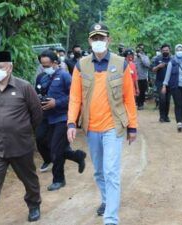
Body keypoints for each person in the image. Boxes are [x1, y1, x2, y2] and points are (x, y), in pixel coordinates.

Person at [67, 23, 137, 225]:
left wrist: (132, 127)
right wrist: (71, 123)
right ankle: (107, 201)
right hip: (91, 127)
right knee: (99, 171)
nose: (98, 42)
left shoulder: (120, 63)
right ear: (90, 41)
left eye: (102, 38)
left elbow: (128, 99)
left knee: (111, 171)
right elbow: (75, 97)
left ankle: (111, 219)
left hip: (113, 127)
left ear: (109, 40)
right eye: (94, 38)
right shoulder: (81, 65)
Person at [0, 51, 43, 225]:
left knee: (29, 179)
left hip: (21, 145)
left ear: (10, 66)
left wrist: (24, 131)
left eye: (0, 66)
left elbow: (36, 113)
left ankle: (34, 204)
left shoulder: (24, 87)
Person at [36, 50, 86, 191]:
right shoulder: (41, 77)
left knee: (56, 149)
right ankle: (76, 156)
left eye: (47, 64)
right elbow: (37, 94)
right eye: (43, 65)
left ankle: (59, 179)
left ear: (55, 62)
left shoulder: (65, 76)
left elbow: (75, 96)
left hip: (62, 117)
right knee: (40, 140)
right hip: (46, 117)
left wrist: (56, 103)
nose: (45, 67)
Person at [161, 44, 182, 132]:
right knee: (178, 104)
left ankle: (181, 119)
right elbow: (167, 75)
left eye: (181, 49)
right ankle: (179, 122)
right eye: (178, 50)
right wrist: (164, 85)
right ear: (175, 51)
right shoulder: (171, 62)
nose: (180, 51)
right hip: (175, 86)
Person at [152, 44, 172, 122]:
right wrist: (158, 66)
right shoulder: (157, 59)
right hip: (160, 82)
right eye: (163, 51)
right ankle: (162, 116)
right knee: (162, 99)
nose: (165, 52)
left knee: (167, 100)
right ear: (161, 51)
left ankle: (166, 116)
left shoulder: (172, 59)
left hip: (170, 83)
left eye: (166, 50)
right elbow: (153, 69)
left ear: (169, 50)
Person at [134, 43, 151, 110]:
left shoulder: (145, 57)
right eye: (139, 48)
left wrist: (141, 57)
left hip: (143, 77)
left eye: (141, 48)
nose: (140, 49)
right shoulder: (134, 58)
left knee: (142, 91)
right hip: (135, 78)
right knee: (136, 91)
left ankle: (141, 104)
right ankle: (137, 104)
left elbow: (147, 65)